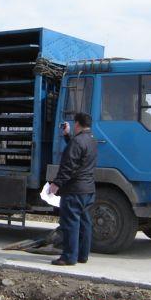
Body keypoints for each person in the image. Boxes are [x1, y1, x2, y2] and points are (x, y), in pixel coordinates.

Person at [49, 112, 98, 266]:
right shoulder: (92, 140)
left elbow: (69, 165)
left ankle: (68, 257)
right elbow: (79, 154)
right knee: (84, 223)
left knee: (70, 223)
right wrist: (67, 135)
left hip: (75, 190)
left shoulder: (77, 142)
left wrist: (56, 183)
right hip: (88, 190)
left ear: (77, 123)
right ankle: (82, 255)